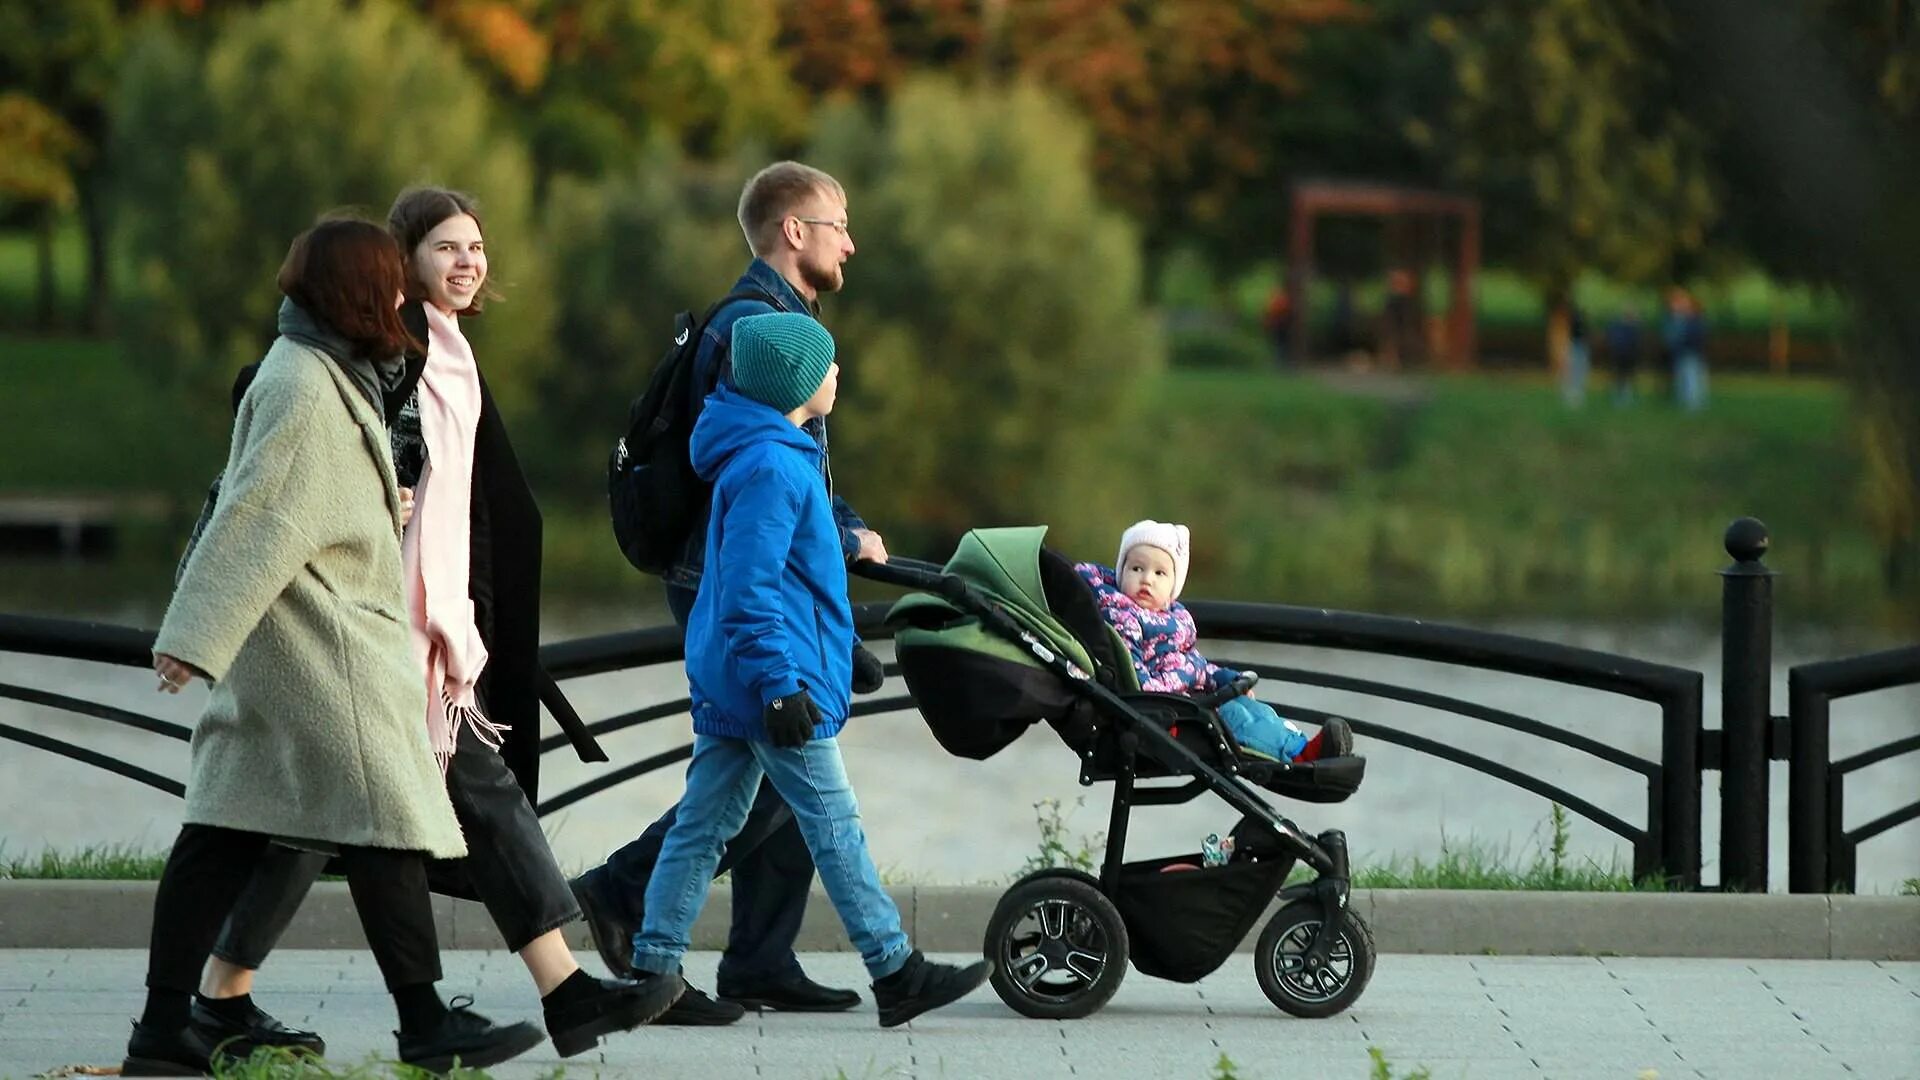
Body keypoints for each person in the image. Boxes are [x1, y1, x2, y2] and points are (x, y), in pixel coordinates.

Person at [189, 189, 681, 1062]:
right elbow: (296, 438)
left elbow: (473, 507)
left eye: (478, 248)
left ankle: (219, 998)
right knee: (451, 806)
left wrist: (474, 621)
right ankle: (538, 996)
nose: (468, 263)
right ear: (401, 260)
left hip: (430, 627)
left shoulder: (449, 349)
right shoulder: (394, 349)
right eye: (447, 248)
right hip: (376, 625)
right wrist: (385, 498)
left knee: (329, 824)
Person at [124, 216, 545, 1075]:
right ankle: (425, 1025)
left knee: (227, 833)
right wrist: (194, 638)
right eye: (391, 281)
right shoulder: (306, 386)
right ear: (360, 290)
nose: (402, 295)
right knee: (381, 824)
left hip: (307, 641)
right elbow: (258, 518)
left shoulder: (321, 369)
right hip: (319, 647)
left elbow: (301, 501)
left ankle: (168, 1030)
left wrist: (369, 505)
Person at [571, 161, 886, 1023]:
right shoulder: (753, 326)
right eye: (839, 223)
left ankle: (758, 956)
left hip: (757, 575)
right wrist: (836, 532)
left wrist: (842, 525)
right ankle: (620, 893)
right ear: (795, 231)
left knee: (779, 761)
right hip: (733, 583)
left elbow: (795, 461)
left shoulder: (782, 320)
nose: (850, 241)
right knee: (775, 758)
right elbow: (751, 472)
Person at [618, 311, 989, 1027]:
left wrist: (843, 652)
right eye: (828, 365)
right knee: (833, 824)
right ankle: (896, 969)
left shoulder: (763, 453)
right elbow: (751, 591)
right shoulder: (771, 466)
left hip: (744, 677)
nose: (837, 374)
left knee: (703, 827)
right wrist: (782, 685)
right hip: (768, 687)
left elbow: (792, 579)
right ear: (796, 382)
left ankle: (653, 974)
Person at [1074, 520, 1353, 763]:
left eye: (1159, 573)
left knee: (1254, 709)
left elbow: (1195, 664)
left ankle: (1302, 744)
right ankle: (1298, 755)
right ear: (1121, 572)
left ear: (1173, 587)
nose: (1146, 579)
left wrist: (1227, 679)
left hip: (1191, 696)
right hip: (1169, 709)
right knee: (1238, 719)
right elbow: (1136, 675)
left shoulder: (1174, 619)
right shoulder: (1125, 618)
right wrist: (1180, 697)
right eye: (1136, 569)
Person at [1664, 288, 1709, 411]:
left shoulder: (1692, 319)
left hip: (1691, 352)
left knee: (1691, 379)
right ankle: (1686, 403)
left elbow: (1694, 336)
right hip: (1681, 353)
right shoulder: (1676, 319)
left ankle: (1693, 405)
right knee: (1684, 379)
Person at [1604, 306, 1643, 405]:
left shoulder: (1619, 326)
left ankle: (1622, 398)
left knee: (1621, 377)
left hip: (1621, 355)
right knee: (1623, 377)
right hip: (1625, 355)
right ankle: (1623, 398)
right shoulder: (1630, 328)